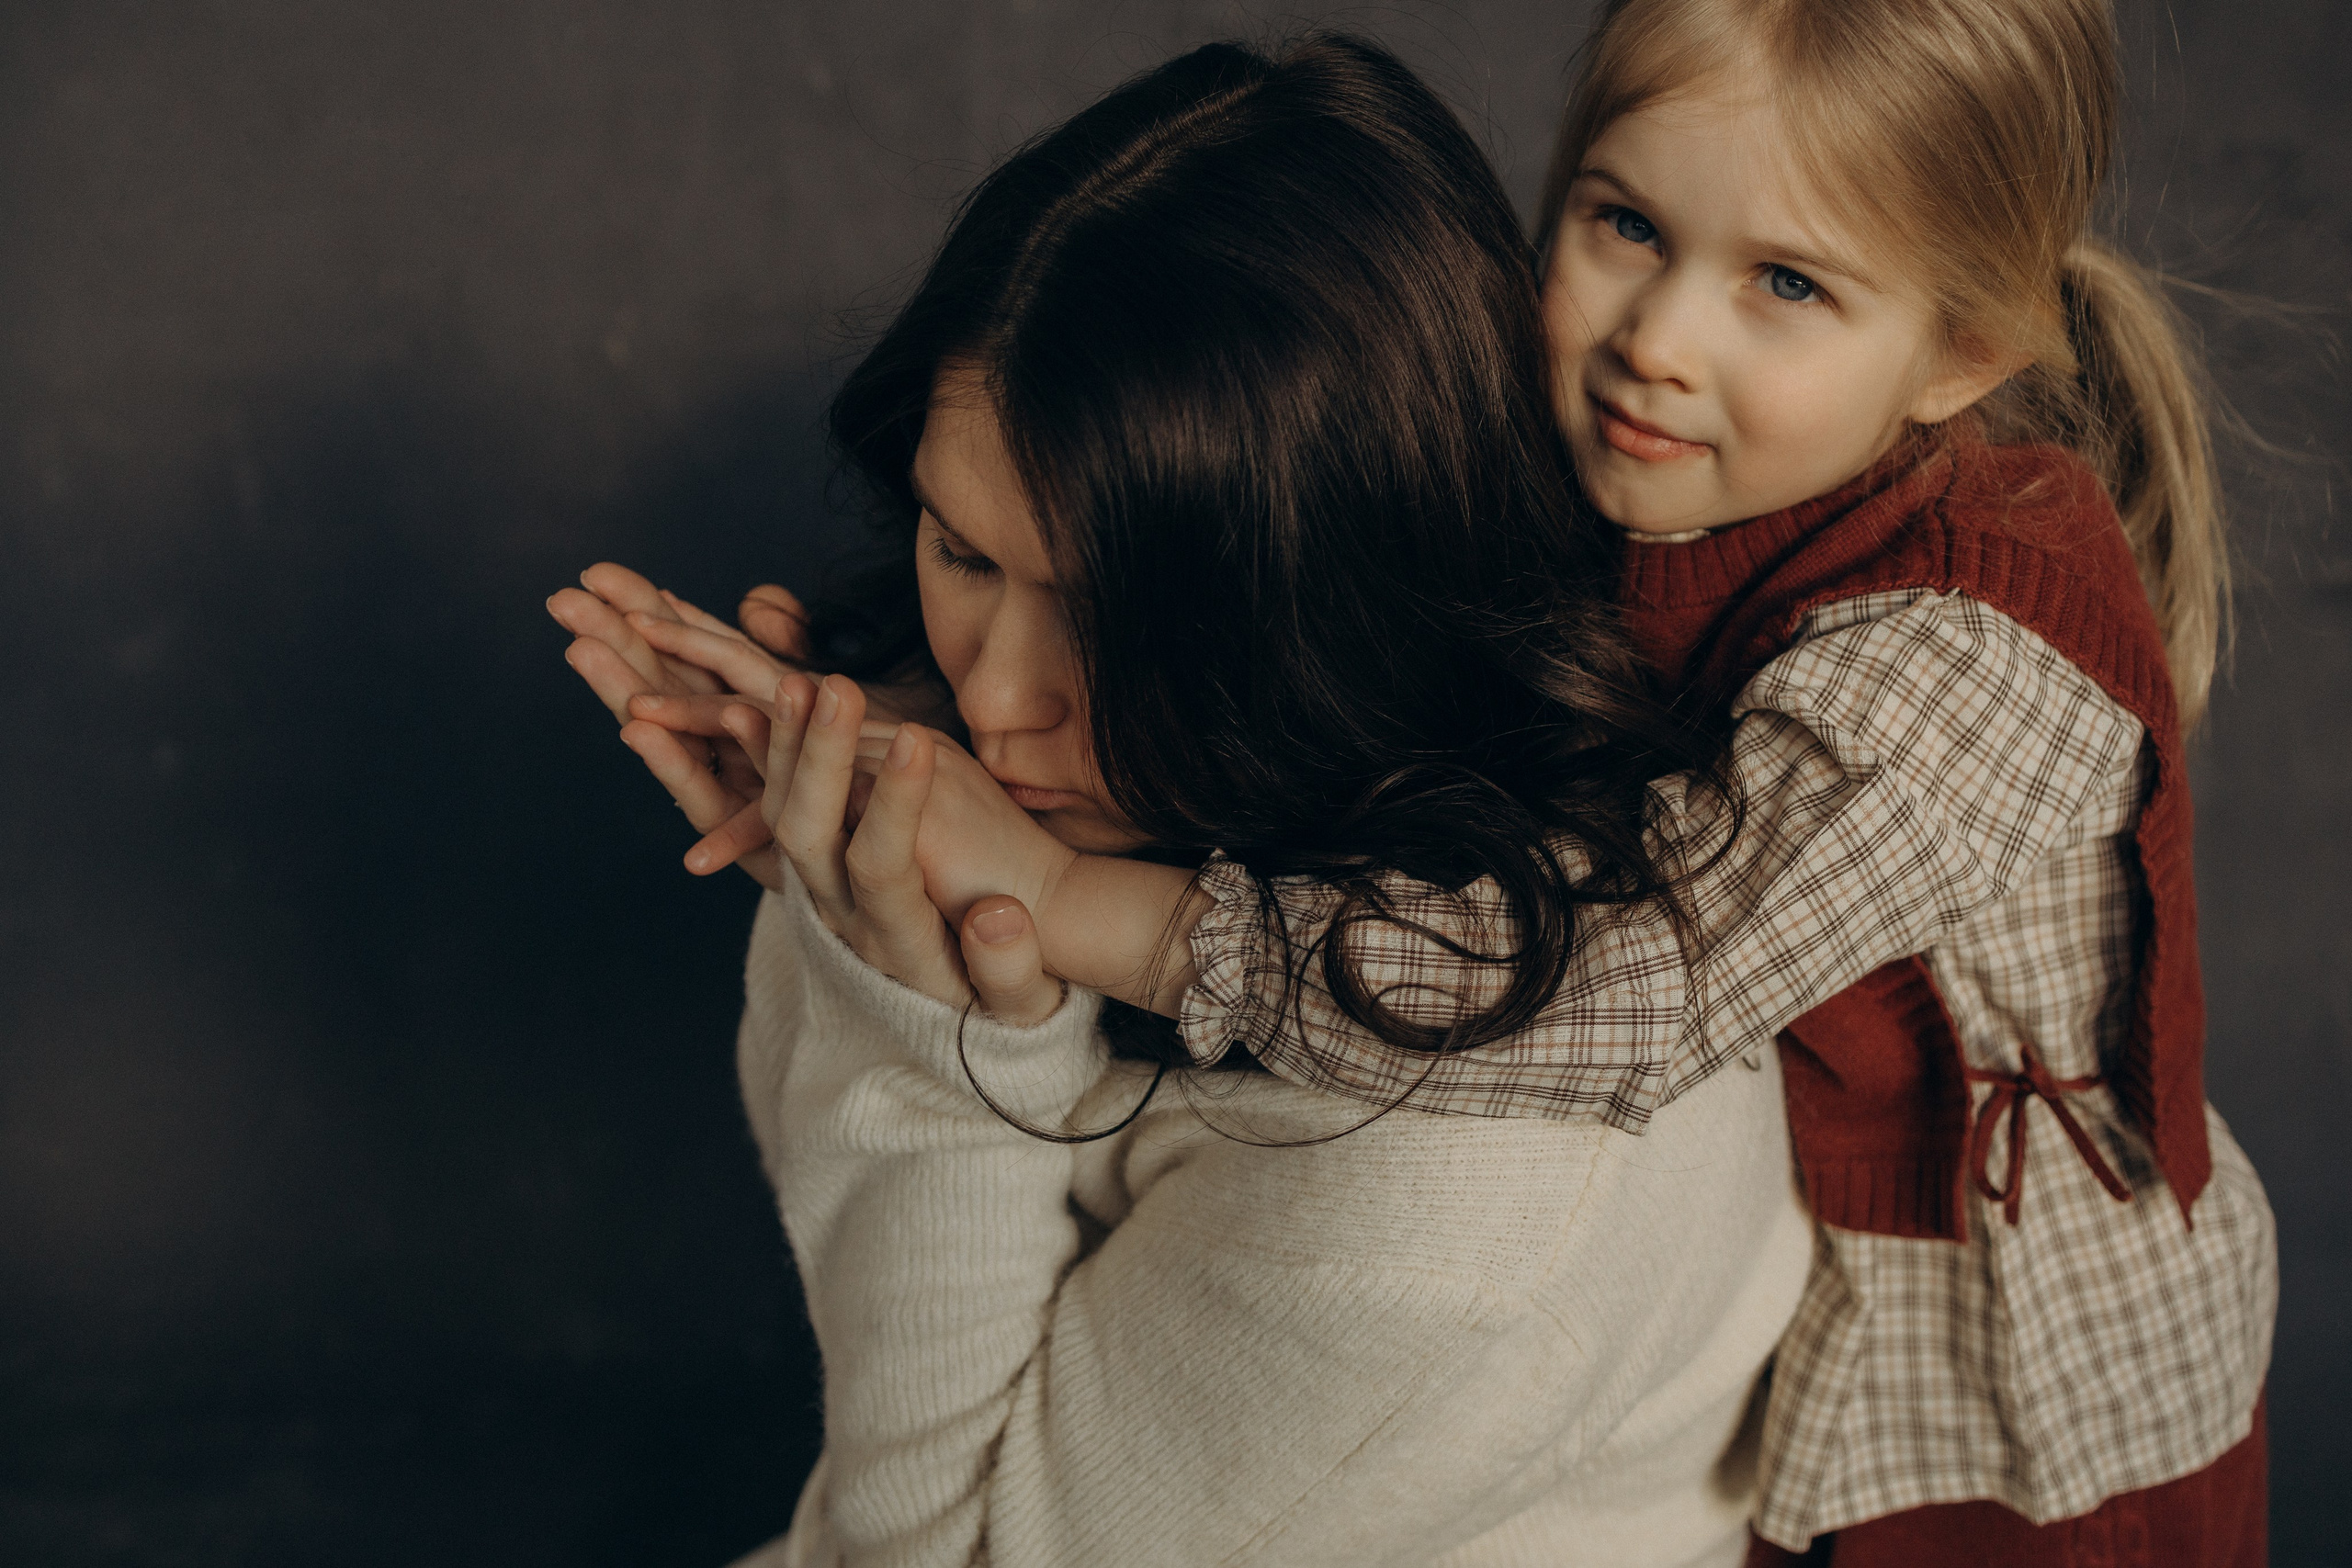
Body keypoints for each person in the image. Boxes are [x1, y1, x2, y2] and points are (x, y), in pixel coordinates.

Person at [598, 3, 2279, 1562]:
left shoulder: (1961, 672)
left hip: (2017, 1374)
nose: (1657, 346)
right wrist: (890, 774)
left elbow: (1615, 987)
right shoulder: (1610, 466)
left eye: (1787, 283)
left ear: (1960, 354)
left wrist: (1042, 910)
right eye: (1624, 224)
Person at [560, 34, 1814, 1567]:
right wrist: (856, 884)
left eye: (1111, 619)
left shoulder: (1458, 1189)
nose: (999, 698)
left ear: (1344, 611)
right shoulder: (1142, 780)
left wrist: (932, 1021)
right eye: (963, 553)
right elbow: (876, 1256)